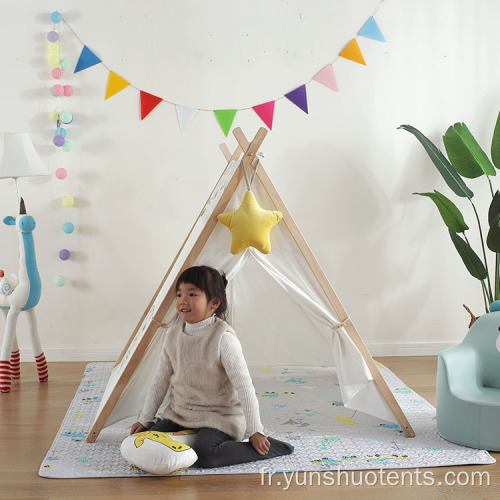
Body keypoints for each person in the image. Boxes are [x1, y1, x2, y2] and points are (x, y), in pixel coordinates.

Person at [130, 265, 293, 468]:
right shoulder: (172, 335)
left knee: (206, 455)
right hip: (180, 413)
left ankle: (271, 448)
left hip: (219, 416)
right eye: (179, 294)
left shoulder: (223, 339)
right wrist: (146, 419)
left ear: (215, 302)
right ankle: (185, 437)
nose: (183, 301)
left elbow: (244, 387)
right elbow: (159, 380)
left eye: (192, 294)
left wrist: (255, 431)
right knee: (143, 441)